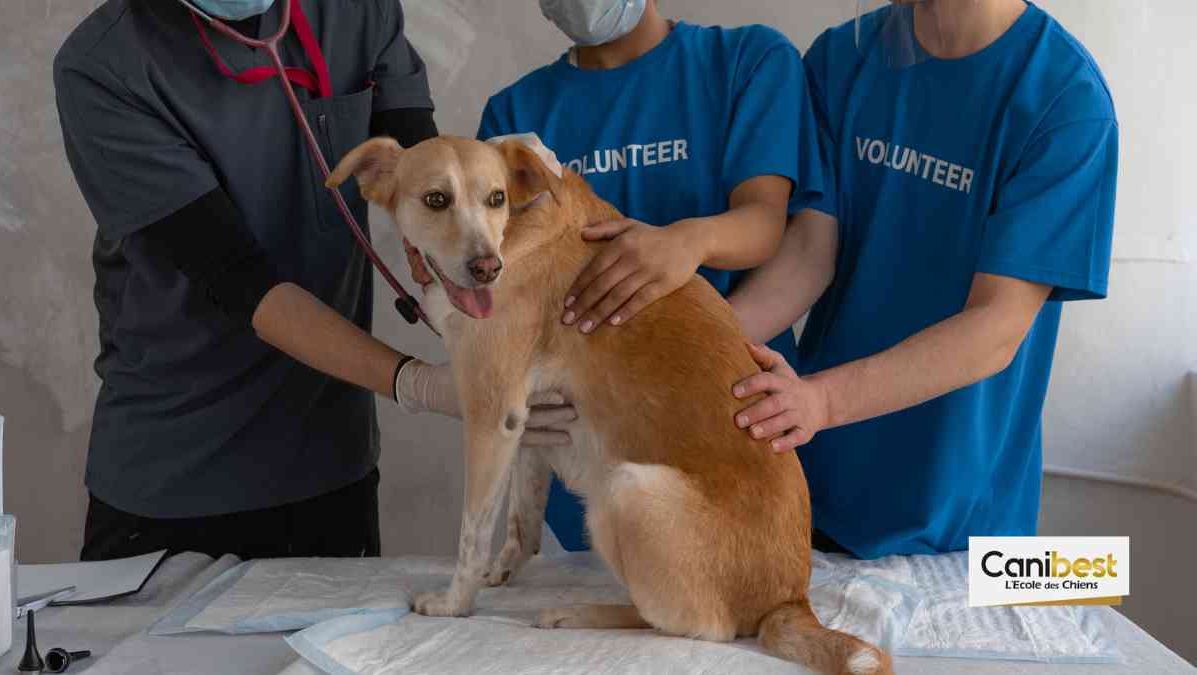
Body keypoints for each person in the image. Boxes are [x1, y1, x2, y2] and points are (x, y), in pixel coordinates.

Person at [55, 0, 569, 561]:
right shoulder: (105, 64)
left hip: (328, 463)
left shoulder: (355, 12)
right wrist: (418, 384)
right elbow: (234, 276)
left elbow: (417, 155)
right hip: (176, 473)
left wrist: (452, 222)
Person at [728, 0, 1118, 558]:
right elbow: (810, 254)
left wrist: (822, 403)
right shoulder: (845, 56)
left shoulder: (1065, 100)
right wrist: (682, 351)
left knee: (1072, 608)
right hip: (816, 486)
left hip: (965, 524)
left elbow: (996, 325)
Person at [459, 0, 827, 550]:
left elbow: (765, 223)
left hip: (727, 425)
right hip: (587, 463)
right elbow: (501, 286)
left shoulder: (746, 61)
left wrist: (690, 240)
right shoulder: (514, 117)